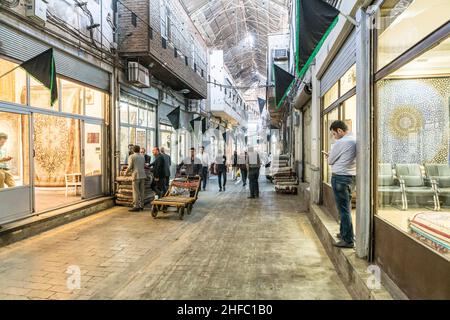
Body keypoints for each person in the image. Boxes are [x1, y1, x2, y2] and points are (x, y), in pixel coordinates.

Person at [324, 120, 356, 249]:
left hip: (340, 178)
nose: (334, 137)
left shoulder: (341, 142)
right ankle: (344, 234)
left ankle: (348, 240)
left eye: (334, 134)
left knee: (343, 210)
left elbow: (331, 161)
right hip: (351, 177)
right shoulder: (354, 140)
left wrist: (328, 156)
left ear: (339, 131)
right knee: (346, 208)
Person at [125, 145, 146, 212]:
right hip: (143, 175)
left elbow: (130, 166)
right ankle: (142, 206)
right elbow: (143, 165)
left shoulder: (131, 156)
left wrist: (126, 172)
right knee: (142, 191)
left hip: (136, 175)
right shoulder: (142, 156)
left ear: (133, 150)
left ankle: (136, 206)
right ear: (139, 150)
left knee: (136, 192)